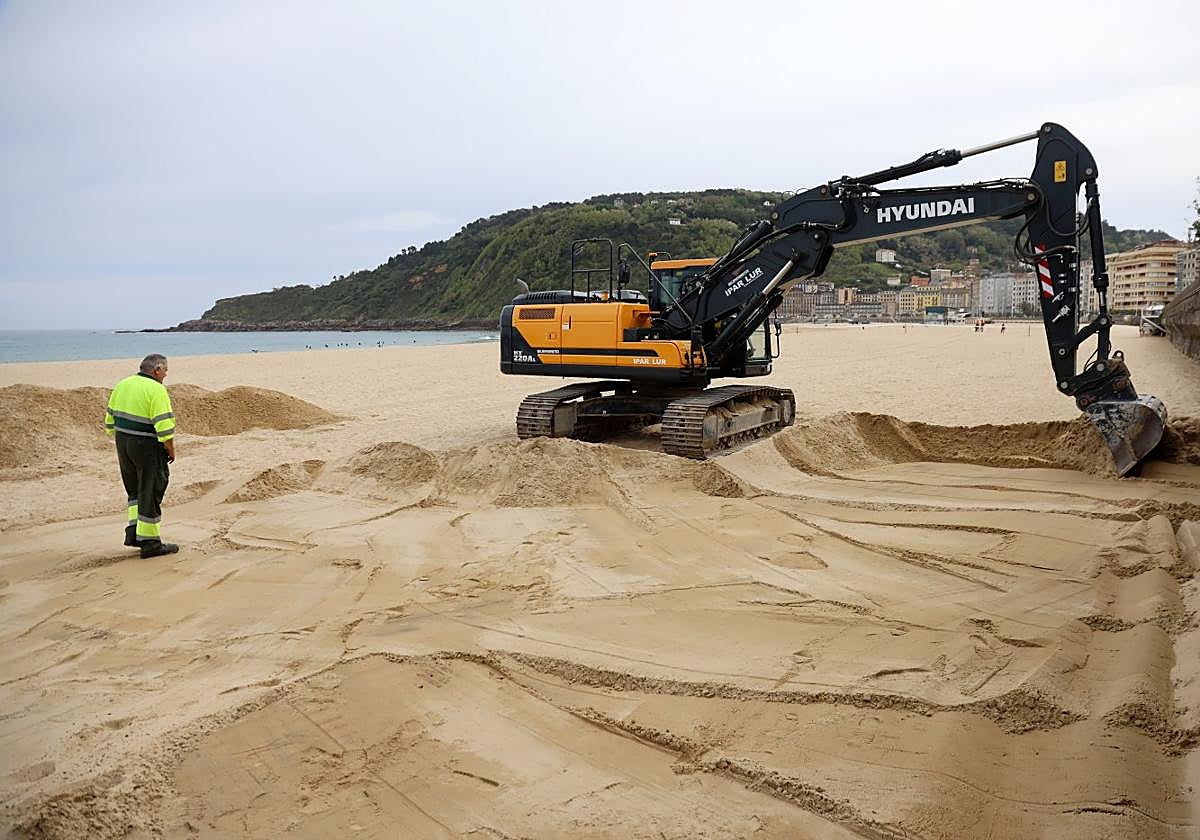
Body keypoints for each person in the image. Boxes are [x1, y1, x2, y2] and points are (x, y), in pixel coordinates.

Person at [105, 354, 179, 558]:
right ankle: (150, 543)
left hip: (123, 442)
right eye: (165, 370)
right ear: (156, 370)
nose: (165, 375)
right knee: (151, 488)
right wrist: (170, 447)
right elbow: (164, 424)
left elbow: (109, 419)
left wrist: (119, 437)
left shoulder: (123, 384)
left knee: (134, 489)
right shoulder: (156, 389)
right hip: (146, 445)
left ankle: (134, 534)